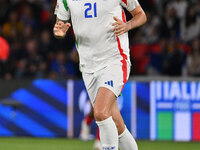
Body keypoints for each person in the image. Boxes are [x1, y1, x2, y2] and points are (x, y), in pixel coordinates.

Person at [54, 0, 146, 149]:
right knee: (117, 124)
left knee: (101, 112)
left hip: (114, 60)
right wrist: (59, 32)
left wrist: (128, 25)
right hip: (88, 66)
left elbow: (140, 15)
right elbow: (59, 25)